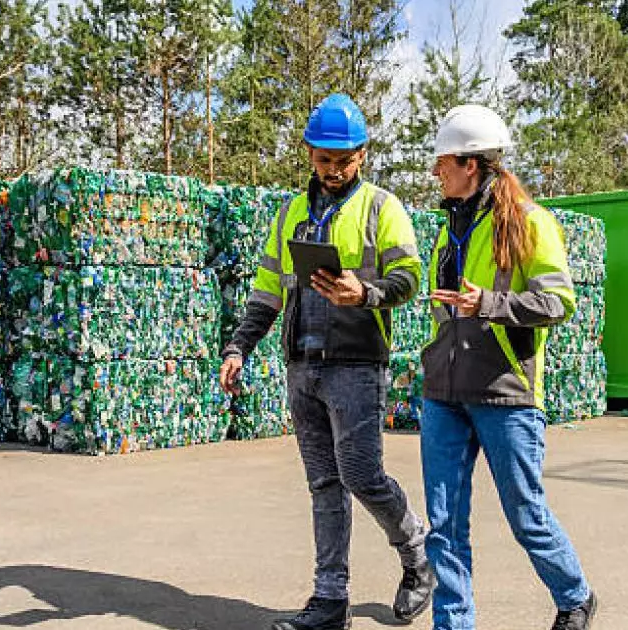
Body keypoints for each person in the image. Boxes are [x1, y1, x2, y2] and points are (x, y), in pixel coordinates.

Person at [219, 93, 434, 630]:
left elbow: (409, 278)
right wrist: (238, 347)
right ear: (310, 153)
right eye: (324, 159)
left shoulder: (382, 207)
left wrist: (363, 293)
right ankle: (329, 600)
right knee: (323, 485)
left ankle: (418, 556)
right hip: (302, 366)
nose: (334, 170)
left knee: (362, 475)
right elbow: (268, 290)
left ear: (362, 154)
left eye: (344, 159)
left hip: (357, 365)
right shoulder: (291, 212)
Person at [419, 104, 597, 630]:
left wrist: (491, 305)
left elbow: (559, 302)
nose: (436, 172)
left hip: (506, 393)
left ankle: (574, 595)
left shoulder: (527, 222)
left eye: (442, 162)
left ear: (470, 165)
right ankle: (453, 624)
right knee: (444, 523)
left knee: (526, 515)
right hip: (444, 395)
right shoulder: (448, 227)